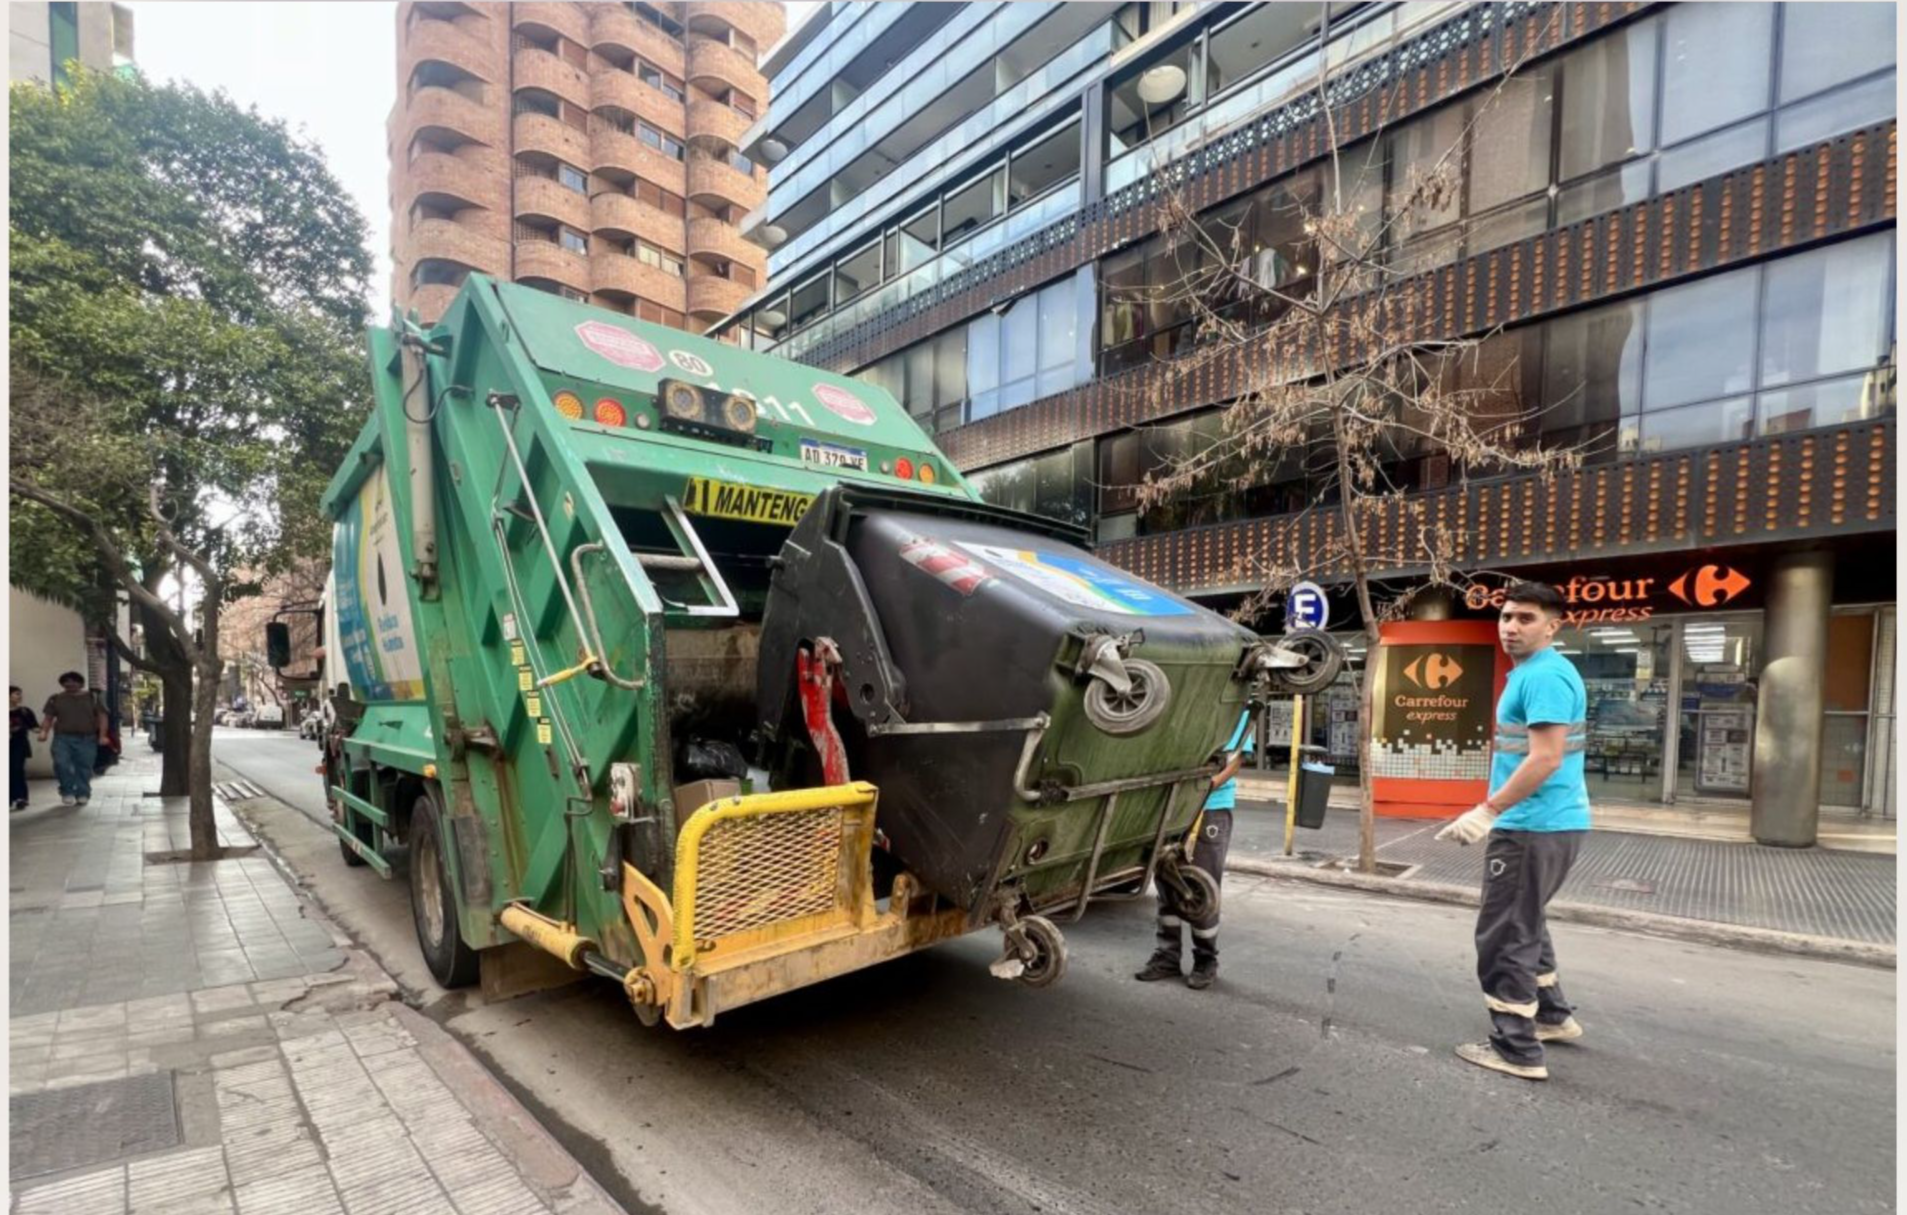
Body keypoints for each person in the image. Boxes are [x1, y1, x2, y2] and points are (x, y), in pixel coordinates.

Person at [1437, 582, 1590, 1081]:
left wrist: (1487, 811)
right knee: (1527, 923)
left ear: (1553, 626)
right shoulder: (1535, 672)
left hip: (1531, 826)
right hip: (1547, 822)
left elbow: (1545, 758)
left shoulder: (1544, 676)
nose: (1511, 627)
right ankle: (1550, 1016)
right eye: (1506, 617)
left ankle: (1516, 1047)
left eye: (1526, 618)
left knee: (1504, 934)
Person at [1136, 707, 1254, 990]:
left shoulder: (1235, 707)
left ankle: (1205, 960)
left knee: (1202, 886)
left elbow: (1237, 759)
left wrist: (1209, 785)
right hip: (1172, 807)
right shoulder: (1183, 702)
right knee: (1167, 879)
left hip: (1211, 807)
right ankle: (1167, 956)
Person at [40, 671, 109, 807]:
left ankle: (83, 793)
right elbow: (48, 718)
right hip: (62, 738)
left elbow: (102, 717)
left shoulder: (93, 697)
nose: (70, 684)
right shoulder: (55, 699)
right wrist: (44, 732)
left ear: (81, 683)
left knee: (84, 767)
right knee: (61, 763)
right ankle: (67, 791)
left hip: (87, 738)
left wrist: (102, 736)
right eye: (66, 682)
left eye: (73, 681)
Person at [10, 687, 39, 811]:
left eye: (20, 694)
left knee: (17, 769)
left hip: (19, 744)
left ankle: (21, 797)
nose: (20, 696)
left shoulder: (25, 711)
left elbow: (34, 726)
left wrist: (41, 730)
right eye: (16, 694)